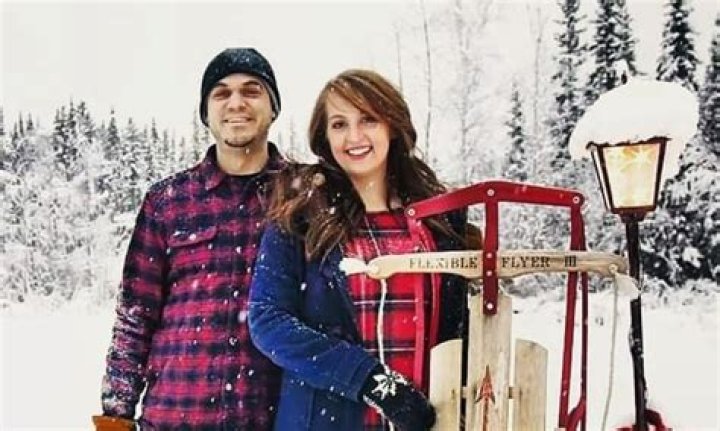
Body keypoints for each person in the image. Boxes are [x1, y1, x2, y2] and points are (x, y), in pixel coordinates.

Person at [248, 69, 471, 431]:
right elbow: (267, 320)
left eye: (368, 119)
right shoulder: (301, 214)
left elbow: (458, 327)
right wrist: (371, 381)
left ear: (392, 126)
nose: (354, 136)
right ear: (324, 137)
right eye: (339, 124)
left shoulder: (438, 220)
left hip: (428, 420)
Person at [93, 47, 285, 430]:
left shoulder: (306, 196)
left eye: (251, 90)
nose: (236, 103)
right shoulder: (167, 201)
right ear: (205, 113)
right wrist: (115, 418)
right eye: (221, 93)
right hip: (174, 417)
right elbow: (135, 318)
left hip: (275, 419)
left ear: (273, 108)